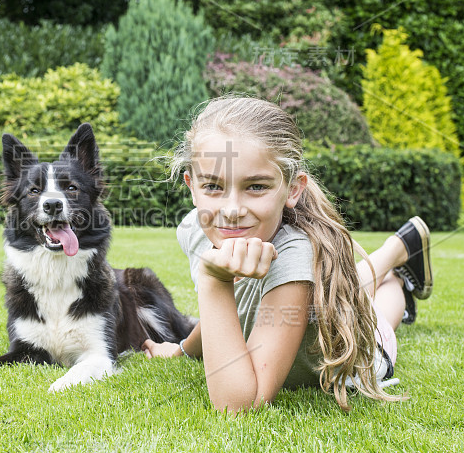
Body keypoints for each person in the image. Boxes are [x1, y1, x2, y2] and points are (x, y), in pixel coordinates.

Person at [141, 97, 433, 412]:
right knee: (343, 288)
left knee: (374, 317)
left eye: (256, 186)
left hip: (359, 356)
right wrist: (186, 350)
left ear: (293, 190)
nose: (232, 210)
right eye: (212, 186)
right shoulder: (194, 231)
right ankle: (400, 247)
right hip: (302, 301)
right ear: (192, 186)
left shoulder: (294, 256)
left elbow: (240, 405)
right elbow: (233, 314)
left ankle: (398, 272)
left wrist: (214, 280)